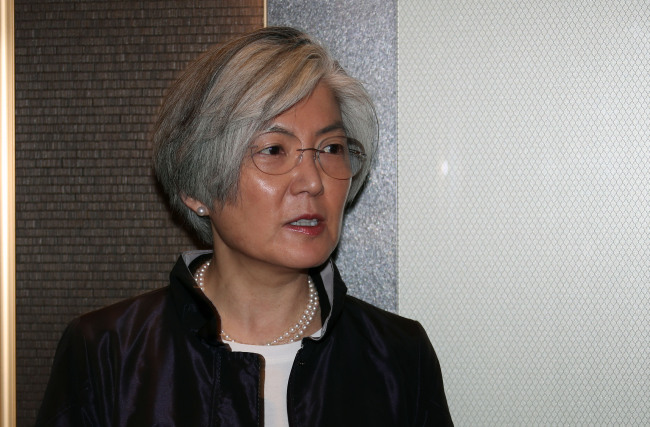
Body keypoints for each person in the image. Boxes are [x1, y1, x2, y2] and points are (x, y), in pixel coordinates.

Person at [36, 26, 453, 426]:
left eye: (331, 148)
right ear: (198, 187)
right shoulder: (109, 353)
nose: (312, 180)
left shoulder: (398, 355)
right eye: (273, 149)